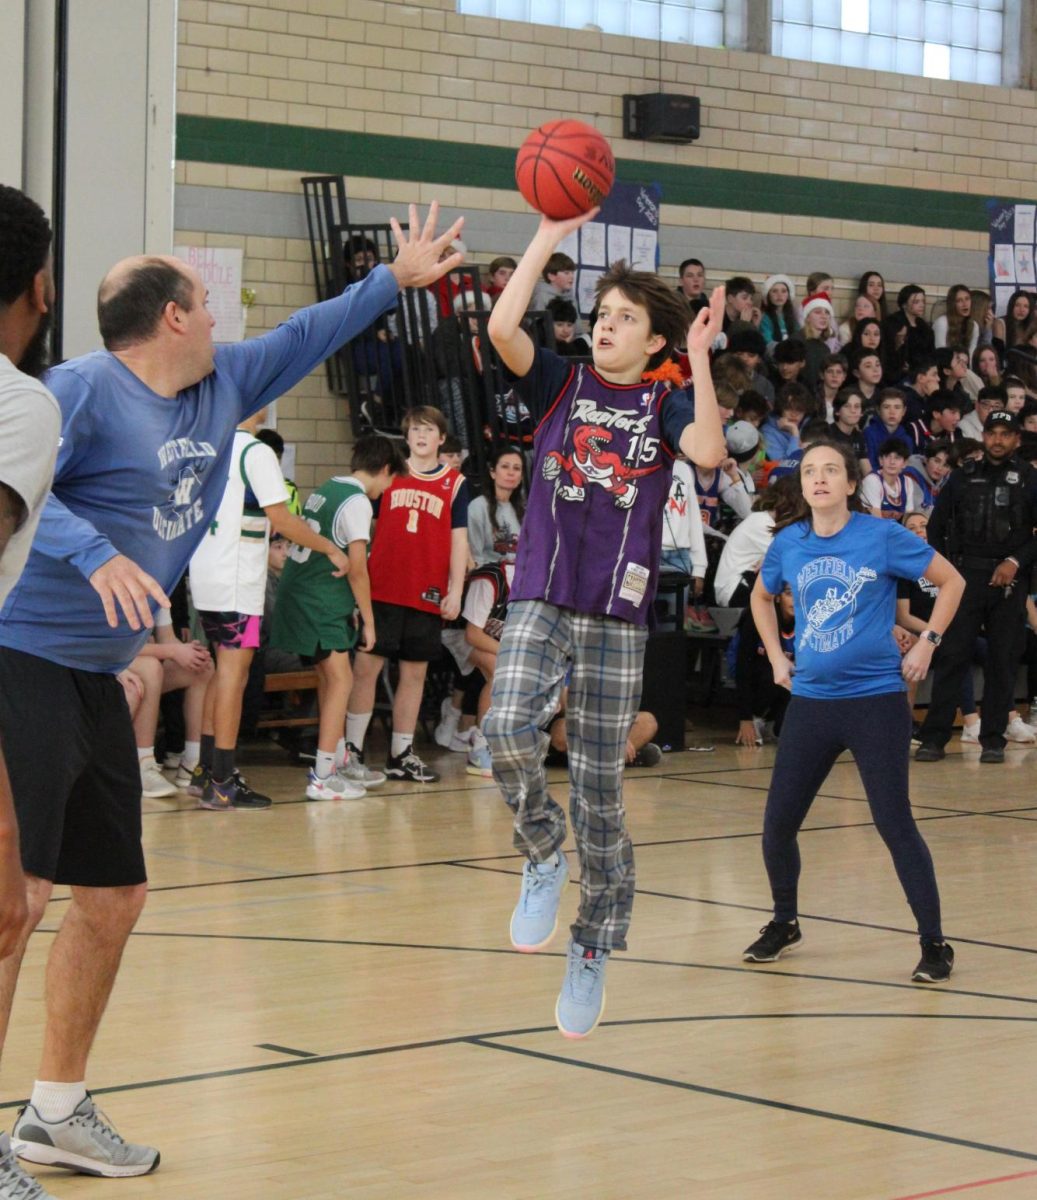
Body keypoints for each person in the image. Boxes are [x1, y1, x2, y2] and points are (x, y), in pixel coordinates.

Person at [0, 202, 462, 1185]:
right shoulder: (73, 394)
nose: (218, 316)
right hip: (22, 655)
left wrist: (395, 279)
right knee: (12, 905)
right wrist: (95, 561)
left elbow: (310, 332)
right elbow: (29, 500)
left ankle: (55, 1111)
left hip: (98, 672)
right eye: (203, 302)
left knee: (113, 897)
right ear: (168, 316)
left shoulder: (227, 383)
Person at [484, 207, 725, 1039]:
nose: (605, 326)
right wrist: (548, 235)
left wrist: (696, 360)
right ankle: (542, 851)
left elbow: (706, 452)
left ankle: (591, 944)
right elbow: (500, 323)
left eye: (623, 318)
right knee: (505, 727)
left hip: (618, 614)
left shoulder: (661, 404)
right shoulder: (560, 382)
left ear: (654, 340)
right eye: (600, 314)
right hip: (541, 594)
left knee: (600, 793)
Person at [743, 438, 964, 982]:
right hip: (813, 704)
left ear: (849, 484)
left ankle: (935, 943)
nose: (819, 479)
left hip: (874, 703)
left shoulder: (882, 536)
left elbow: (953, 581)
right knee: (777, 827)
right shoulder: (789, 543)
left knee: (894, 823)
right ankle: (785, 922)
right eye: (811, 471)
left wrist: (928, 640)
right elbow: (760, 596)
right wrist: (776, 657)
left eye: (831, 470)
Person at [189, 406, 355, 810]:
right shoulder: (254, 451)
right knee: (234, 672)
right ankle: (224, 781)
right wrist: (329, 547)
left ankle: (205, 770)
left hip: (206, 569)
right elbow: (281, 517)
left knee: (220, 669)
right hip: (235, 576)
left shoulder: (210, 445)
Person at [270, 434, 405, 799]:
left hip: (303, 594)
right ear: (386, 470)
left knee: (331, 680)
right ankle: (323, 774)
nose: (388, 489)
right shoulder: (357, 502)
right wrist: (371, 620)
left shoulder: (329, 486)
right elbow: (358, 569)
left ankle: (338, 760)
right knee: (341, 679)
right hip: (318, 600)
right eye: (392, 480)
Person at [345, 406, 468, 783]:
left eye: (428, 429)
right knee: (367, 668)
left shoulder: (455, 483)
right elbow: (361, 523)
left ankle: (402, 752)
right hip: (382, 587)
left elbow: (458, 539)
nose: (420, 435)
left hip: (426, 591)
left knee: (415, 673)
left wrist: (456, 590)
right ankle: (351, 750)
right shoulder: (389, 474)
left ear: (441, 438)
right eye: (414, 428)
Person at [915, 411, 1037, 763]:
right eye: (991, 433)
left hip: (1009, 582)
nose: (997, 440)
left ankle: (994, 739)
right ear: (983, 436)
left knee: (1003, 660)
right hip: (964, 577)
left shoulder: (1030, 479)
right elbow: (936, 528)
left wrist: (1014, 562)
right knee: (953, 656)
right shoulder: (962, 478)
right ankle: (934, 737)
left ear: (1016, 439)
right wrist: (949, 572)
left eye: (1005, 434)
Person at [733, 586, 794, 747]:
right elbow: (742, 667)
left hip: (787, 684)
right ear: (778, 596)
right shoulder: (756, 618)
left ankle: (774, 722)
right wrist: (745, 718)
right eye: (789, 594)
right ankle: (756, 717)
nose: (795, 601)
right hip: (755, 678)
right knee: (773, 670)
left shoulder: (811, 620)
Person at [467, 443, 525, 567]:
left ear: (521, 477)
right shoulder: (478, 507)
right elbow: (475, 556)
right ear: (493, 472)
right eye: (505, 467)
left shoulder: (525, 511)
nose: (511, 473)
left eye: (516, 468)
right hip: (489, 579)